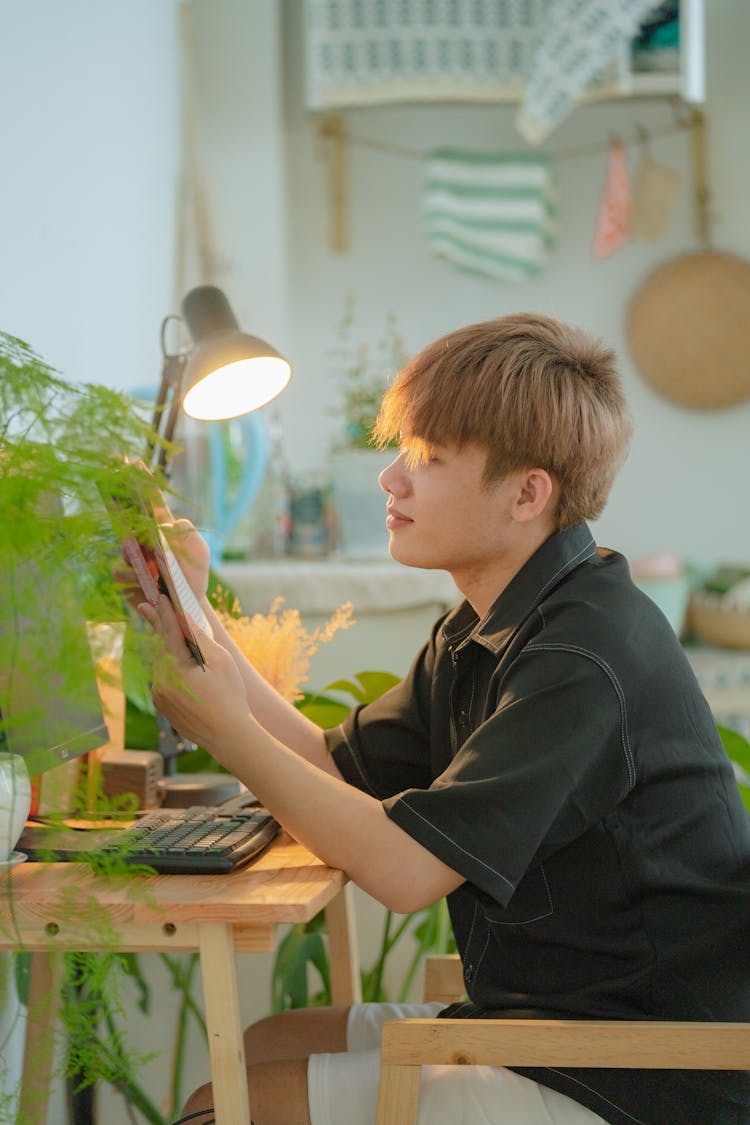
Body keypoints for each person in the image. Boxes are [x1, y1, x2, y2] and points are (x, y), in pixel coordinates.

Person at [135, 313, 750, 1125]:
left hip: (638, 1073)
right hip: (546, 1027)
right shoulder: (487, 622)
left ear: (528, 492)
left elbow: (405, 872)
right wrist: (197, 615)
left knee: (226, 1105)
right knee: (256, 1046)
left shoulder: (583, 656)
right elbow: (331, 765)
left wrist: (225, 731)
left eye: (425, 458)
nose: (391, 479)